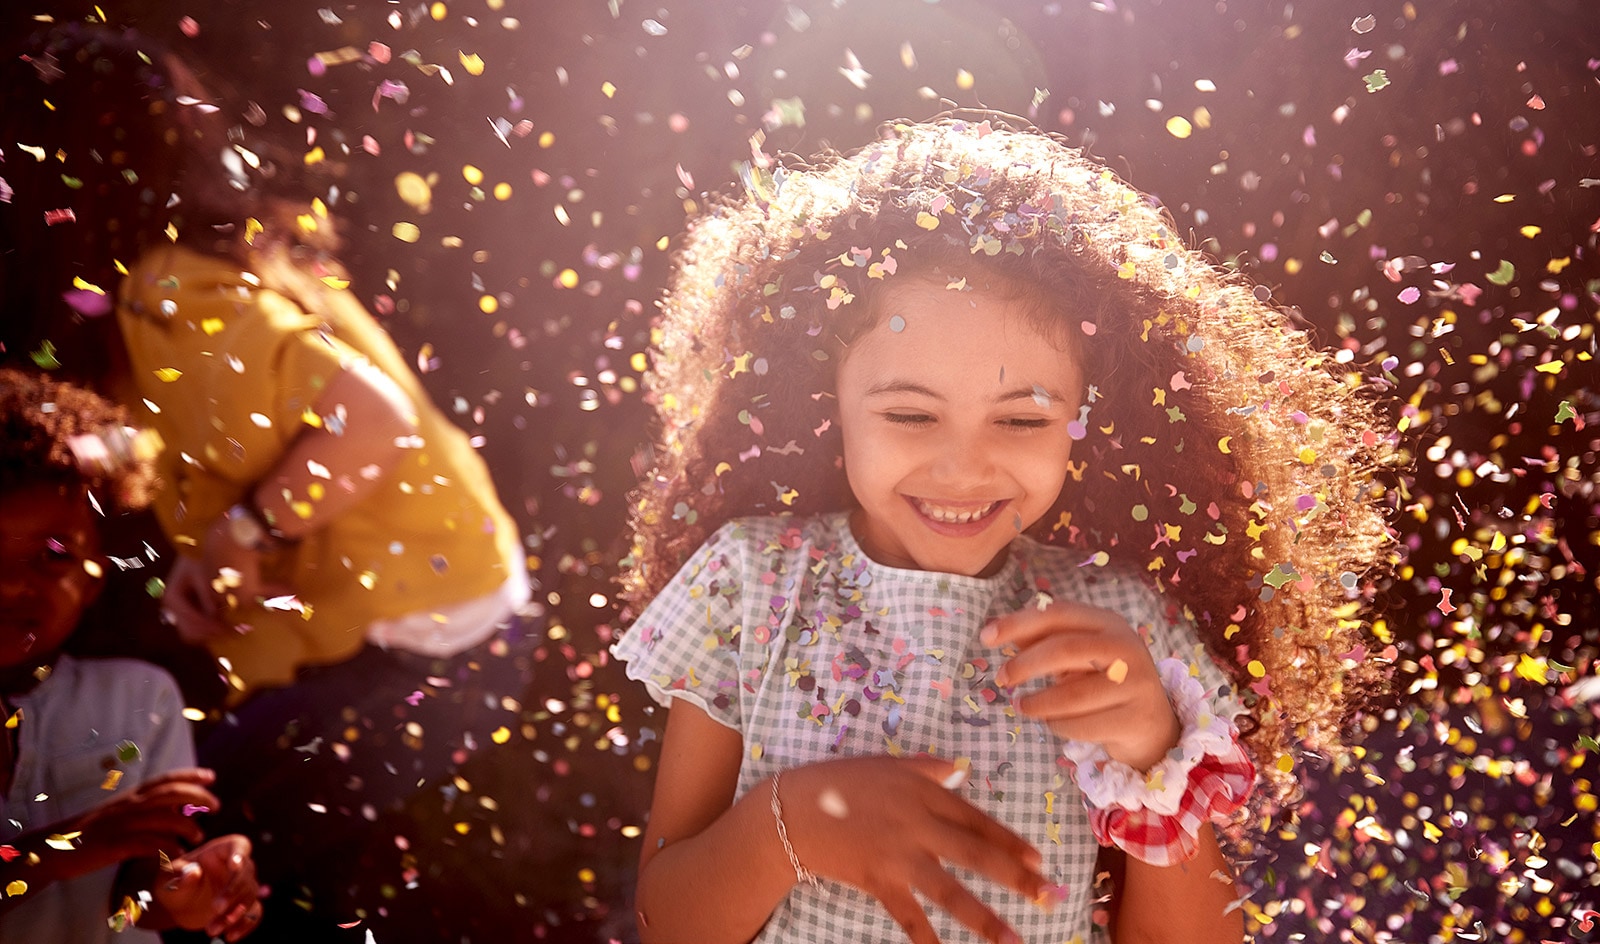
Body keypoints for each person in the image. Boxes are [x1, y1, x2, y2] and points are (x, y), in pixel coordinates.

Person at [613, 117, 1395, 943]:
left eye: (1021, 420)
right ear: (827, 405)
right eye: (910, 413)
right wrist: (796, 826)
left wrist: (1150, 753)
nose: (964, 468)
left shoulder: (1127, 629)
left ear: (1090, 421)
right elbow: (667, 924)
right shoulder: (750, 585)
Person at [0, 25, 534, 938]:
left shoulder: (168, 289)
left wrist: (244, 537)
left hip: (415, 652)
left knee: (200, 851)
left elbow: (370, 421)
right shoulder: (236, 262)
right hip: (442, 626)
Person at [0, 367, 262, 943]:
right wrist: (72, 846)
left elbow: (136, 898)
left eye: (52, 557)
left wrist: (192, 889)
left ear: (95, 579)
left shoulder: (141, 700)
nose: (14, 586)